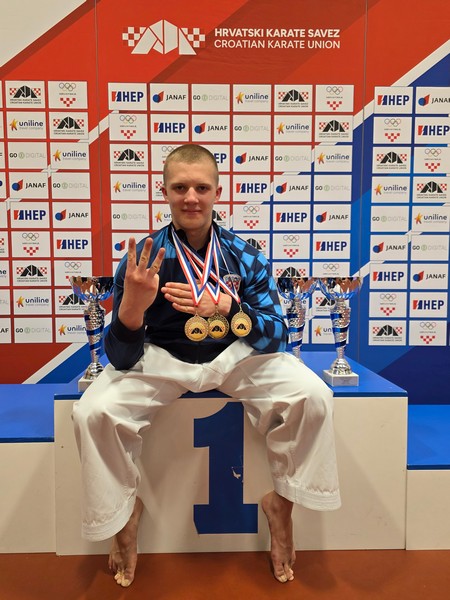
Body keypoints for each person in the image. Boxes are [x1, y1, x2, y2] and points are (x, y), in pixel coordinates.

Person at [72, 144, 341, 588]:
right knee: (92, 412)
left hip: (233, 356)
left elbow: (278, 334)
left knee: (314, 396)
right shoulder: (142, 260)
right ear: (164, 192)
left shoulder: (245, 255)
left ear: (218, 192)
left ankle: (282, 505)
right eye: (180, 187)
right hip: (162, 358)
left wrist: (228, 308)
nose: (191, 197)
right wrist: (132, 307)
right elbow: (119, 358)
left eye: (201, 187)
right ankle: (124, 514)